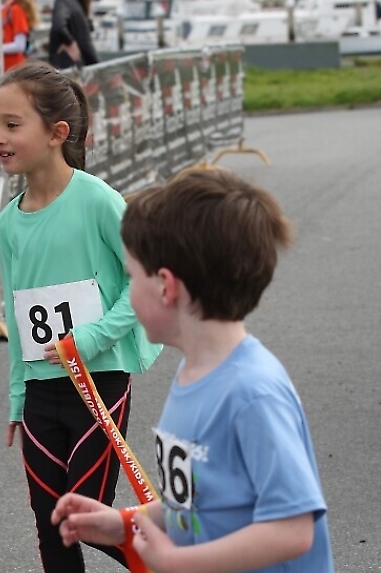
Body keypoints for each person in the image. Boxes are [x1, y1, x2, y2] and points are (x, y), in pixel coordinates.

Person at [52, 167, 335, 573]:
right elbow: (195, 505)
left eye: (131, 276)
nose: (128, 290)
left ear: (166, 286)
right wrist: (124, 524)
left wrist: (178, 561)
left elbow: (293, 531)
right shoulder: (194, 372)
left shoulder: (253, 393)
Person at [0, 60, 161, 573]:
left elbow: (145, 280)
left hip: (98, 383)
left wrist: (93, 337)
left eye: (12, 125)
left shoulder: (98, 200)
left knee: (84, 514)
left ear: (57, 133)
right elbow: (17, 314)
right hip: (41, 392)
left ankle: (181, 561)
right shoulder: (7, 223)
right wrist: (17, 395)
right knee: (51, 524)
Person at [48, 0, 99, 69]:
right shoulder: (73, 1)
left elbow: (59, 26)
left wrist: (70, 43)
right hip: (83, 63)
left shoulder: (62, 1)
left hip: (67, 66)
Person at [0, 0, 39, 71]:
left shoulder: (16, 9)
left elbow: (20, 45)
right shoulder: (4, 9)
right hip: (5, 68)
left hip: (15, 68)